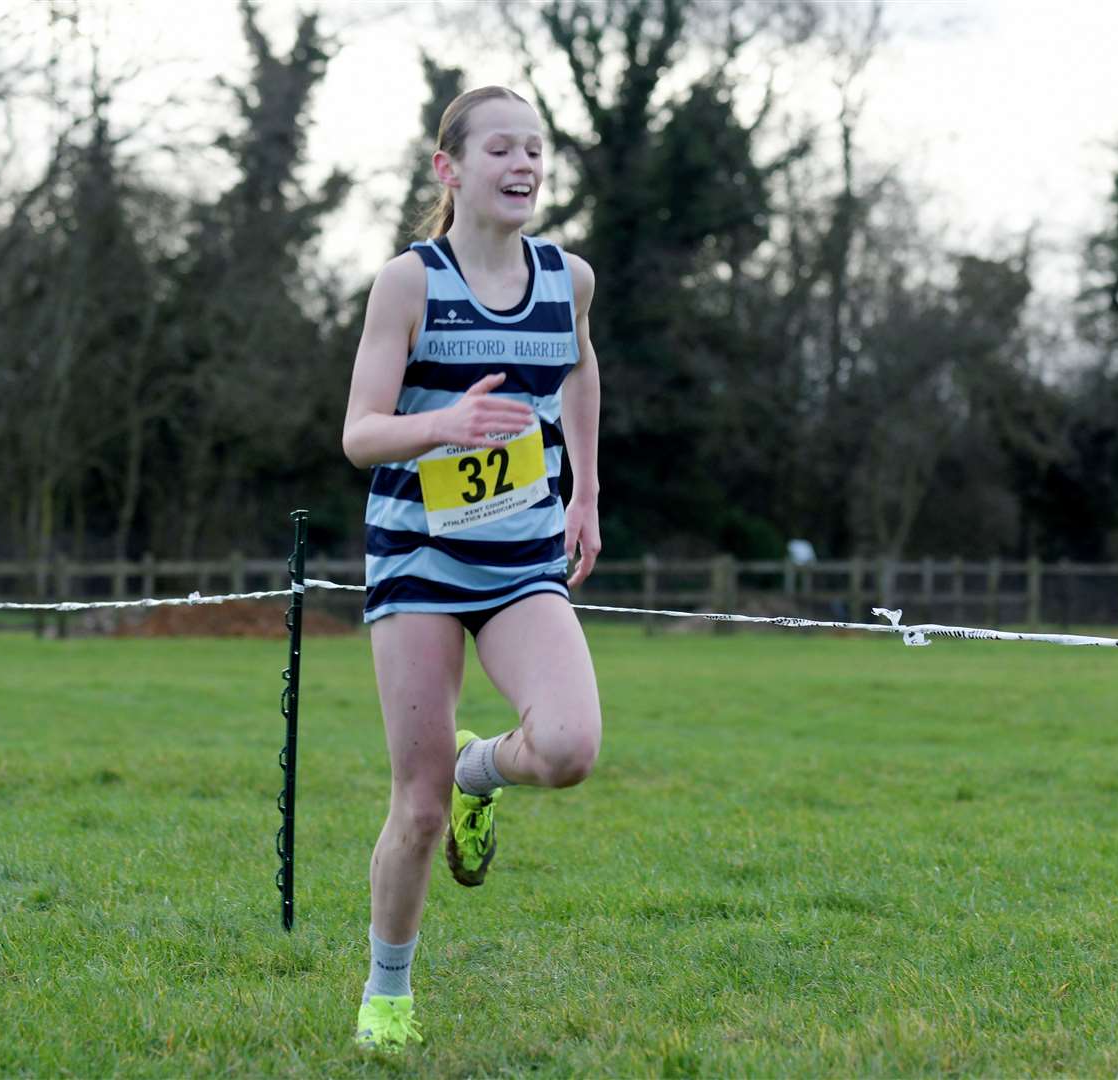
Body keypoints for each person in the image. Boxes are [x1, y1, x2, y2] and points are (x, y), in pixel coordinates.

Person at [341, 85, 603, 1053]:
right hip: (417, 556)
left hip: (521, 559)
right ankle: (387, 994)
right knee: (414, 808)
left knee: (571, 746)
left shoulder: (566, 280)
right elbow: (360, 434)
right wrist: (441, 424)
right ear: (449, 168)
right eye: (501, 149)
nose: (524, 165)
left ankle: (479, 772)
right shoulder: (409, 284)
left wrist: (583, 487)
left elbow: (577, 368)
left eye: (534, 149)